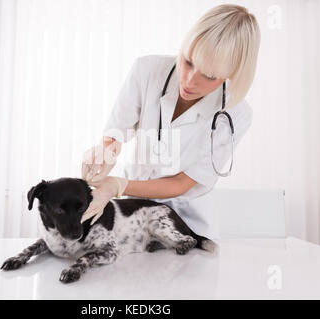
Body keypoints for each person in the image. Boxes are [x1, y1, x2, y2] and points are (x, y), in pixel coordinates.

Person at [80, 4, 260, 240]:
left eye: (209, 76)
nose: (189, 81)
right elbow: (117, 131)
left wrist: (118, 185)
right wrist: (104, 153)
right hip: (134, 215)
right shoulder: (147, 70)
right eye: (188, 61)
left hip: (190, 225)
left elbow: (181, 182)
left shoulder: (236, 113)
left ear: (231, 74)